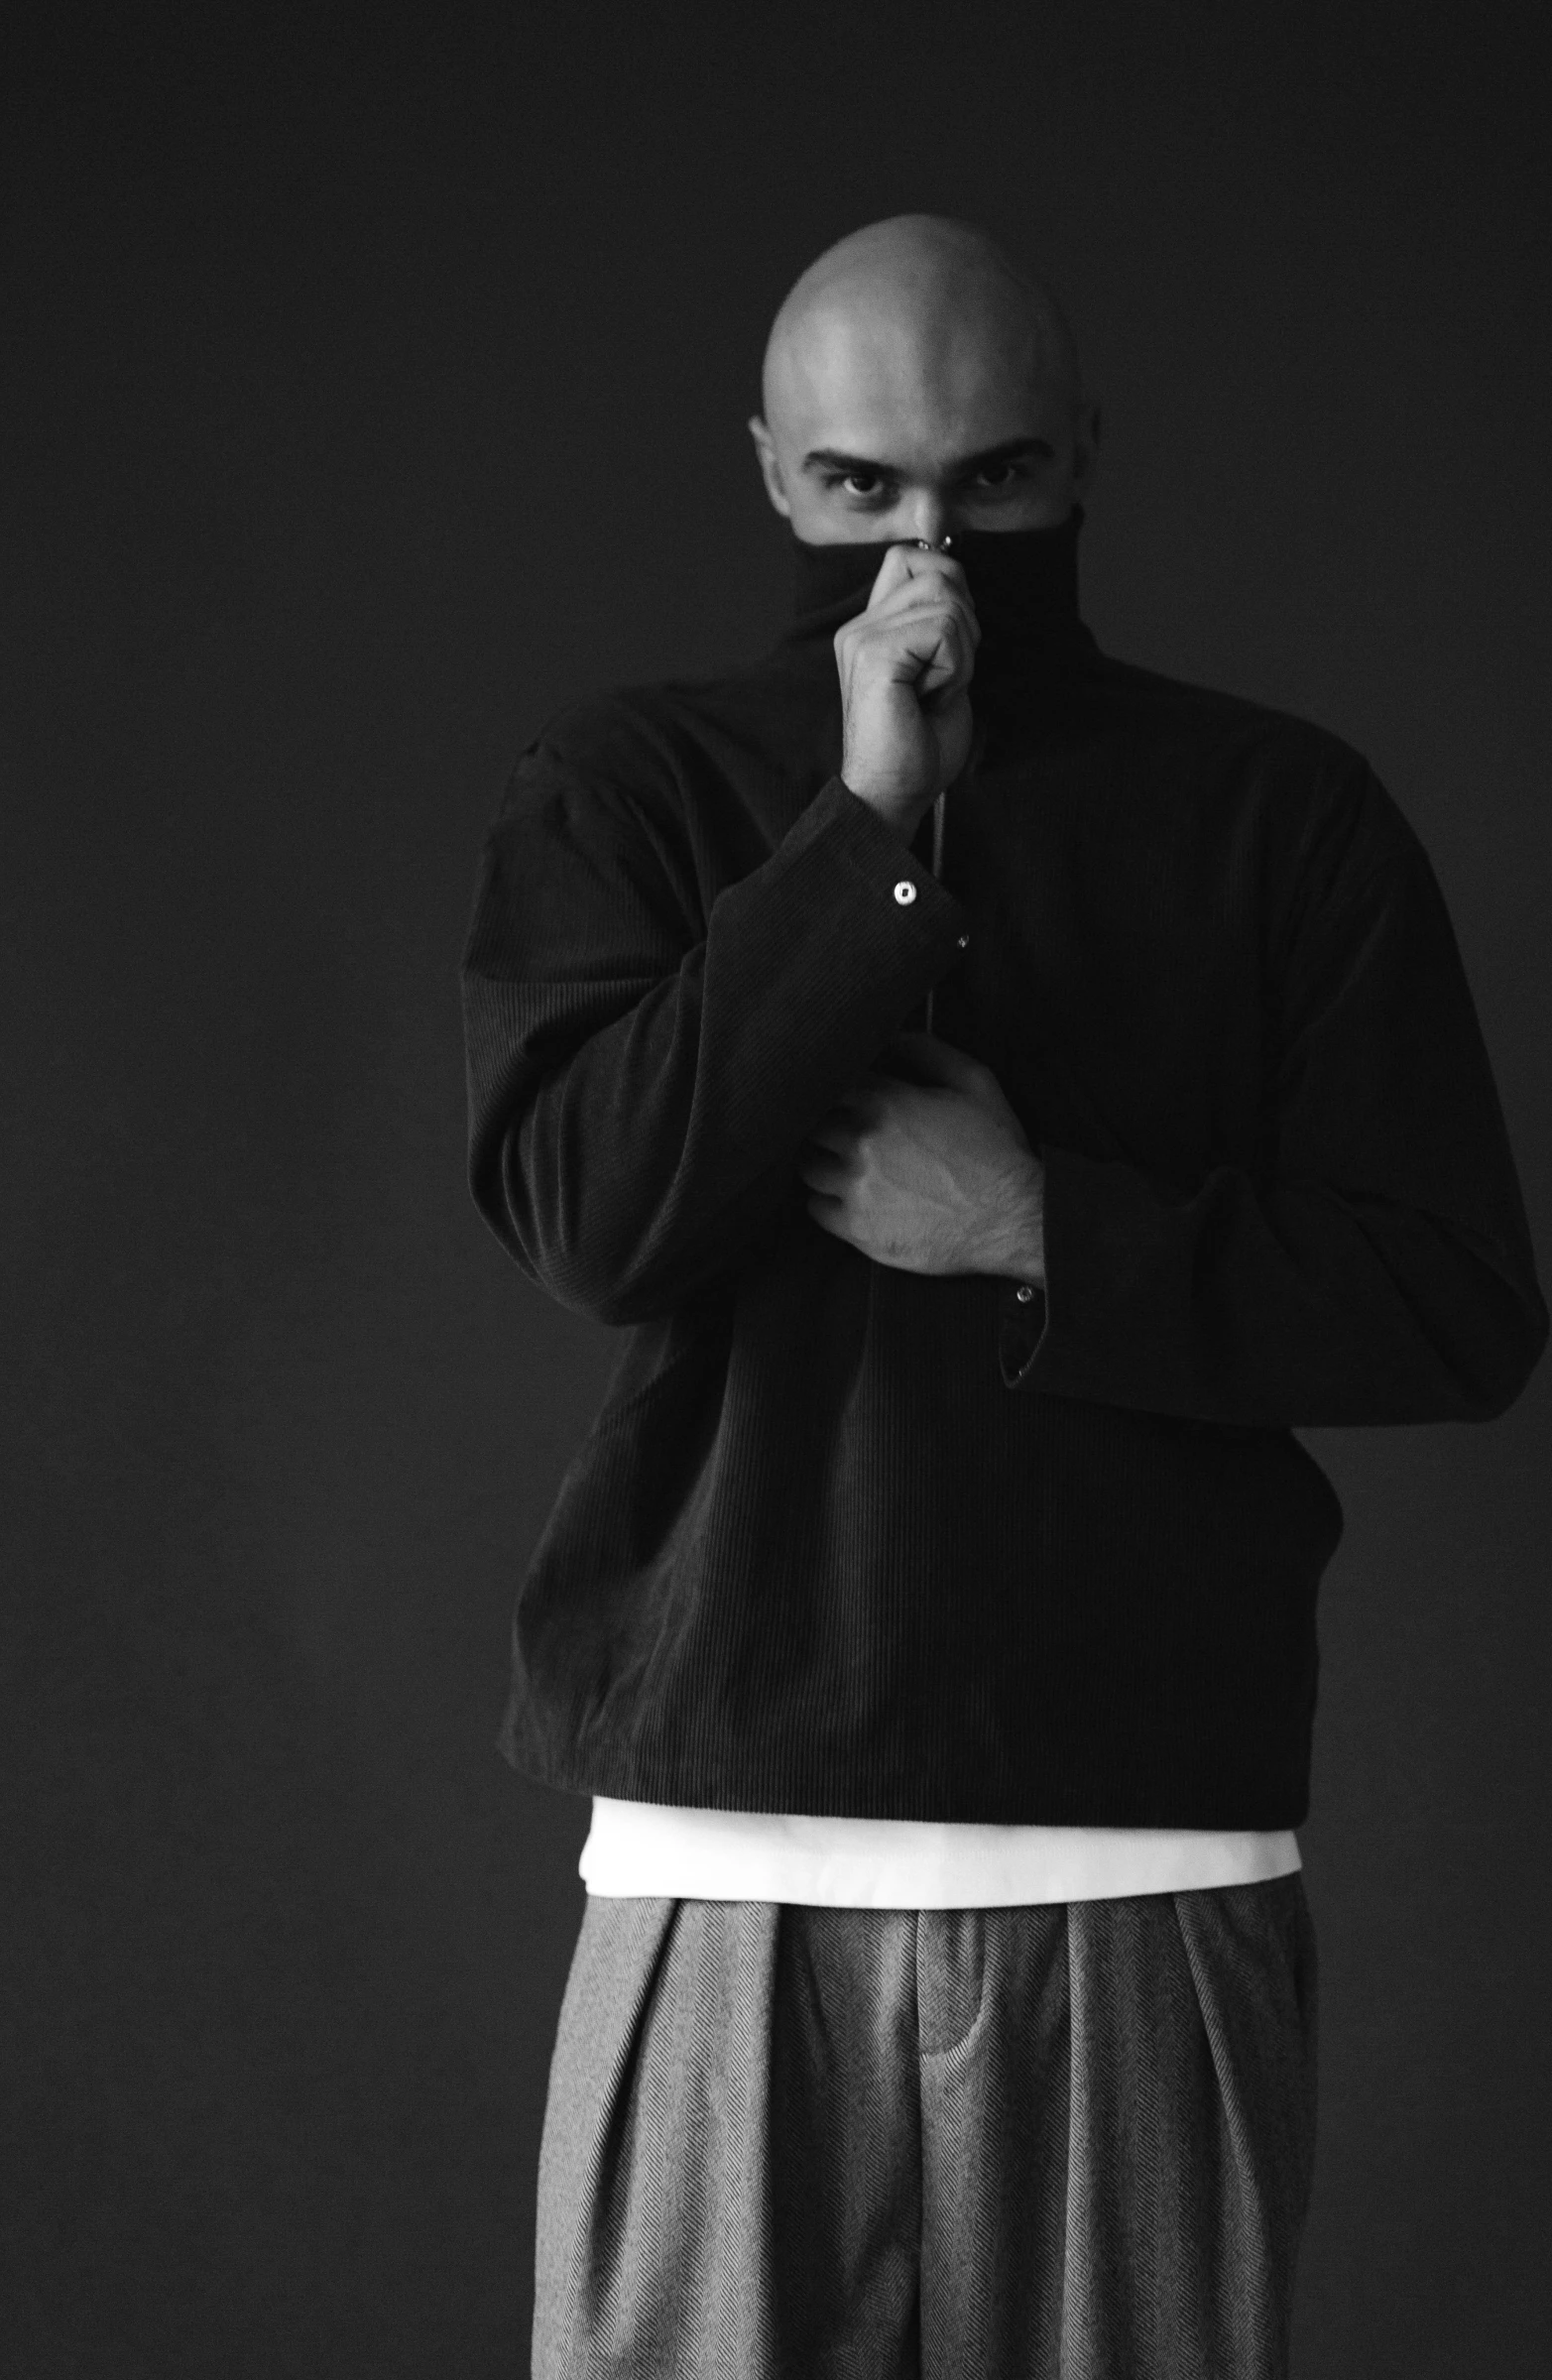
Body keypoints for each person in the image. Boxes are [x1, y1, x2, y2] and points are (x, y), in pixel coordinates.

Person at [459, 214, 1546, 2378]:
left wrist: (1044, 1223)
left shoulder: (1277, 812)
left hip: (1145, 1853)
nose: (931, 558)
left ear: (1085, 458)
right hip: (724, 1849)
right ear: (770, 471)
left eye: (996, 483)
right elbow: (591, 1218)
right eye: (862, 488)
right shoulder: (629, 788)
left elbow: (1450, 1304)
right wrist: (864, 823)